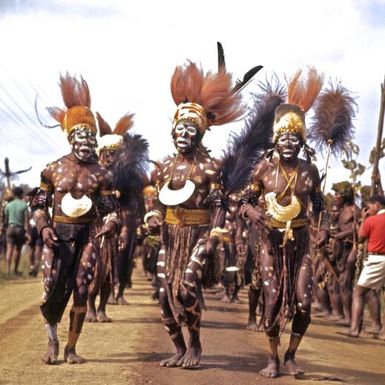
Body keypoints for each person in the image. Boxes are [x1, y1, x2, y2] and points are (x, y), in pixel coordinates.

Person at [238, 68, 329, 378]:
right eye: (283, 137)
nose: (289, 142)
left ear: (301, 141)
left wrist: (324, 228)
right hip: (269, 243)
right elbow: (244, 202)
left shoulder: (310, 171)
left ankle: (291, 355)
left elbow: (320, 206)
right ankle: (273, 358)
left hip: (300, 244)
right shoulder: (263, 169)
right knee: (273, 298)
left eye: (294, 137)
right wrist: (254, 214)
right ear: (276, 140)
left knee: (304, 302)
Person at [155, 60, 243, 368]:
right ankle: (178, 348)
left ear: (200, 134)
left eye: (190, 129)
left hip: (198, 234)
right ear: (173, 131)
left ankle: (196, 345)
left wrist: (216, 236)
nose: (183, 133)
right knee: (164, 295)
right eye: (179, 127)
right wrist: (153, 219)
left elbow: (219, 205)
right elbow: (158, 203)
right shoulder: (165, 167)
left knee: (186, 287)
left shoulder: (210, 167)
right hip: (170, 234)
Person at [29, 74, 119, 364]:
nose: (87, 141)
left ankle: (71, 348)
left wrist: (111, 222)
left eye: (91, 137)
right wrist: (43, 228)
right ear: (70, 138)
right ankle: (52, 343)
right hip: (56, 234)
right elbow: (39, 204)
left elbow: (109, 207)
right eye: (81, 136)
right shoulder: (52, 170)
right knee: (52, 286)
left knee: (82, 286)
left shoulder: (101, 174)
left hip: (88, 236)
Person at [342, 195, 385, 338]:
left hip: (377, 259)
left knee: (358, 292)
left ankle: (354, 329)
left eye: (370, 206)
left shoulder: (371, 220)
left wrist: (363, 219)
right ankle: (383, 332)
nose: (369, 209)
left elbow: (360, 238)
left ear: (377, 205)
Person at [4, 186, 30, 275]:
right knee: (18, 250)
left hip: (10, 228)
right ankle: (15, 270)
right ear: (21, 194)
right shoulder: (23, 205)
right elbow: (26, 222)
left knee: (9, 249)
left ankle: (7, 270)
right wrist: (28, 233)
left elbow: (6, 221)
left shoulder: (8, 205)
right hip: (20, 229)